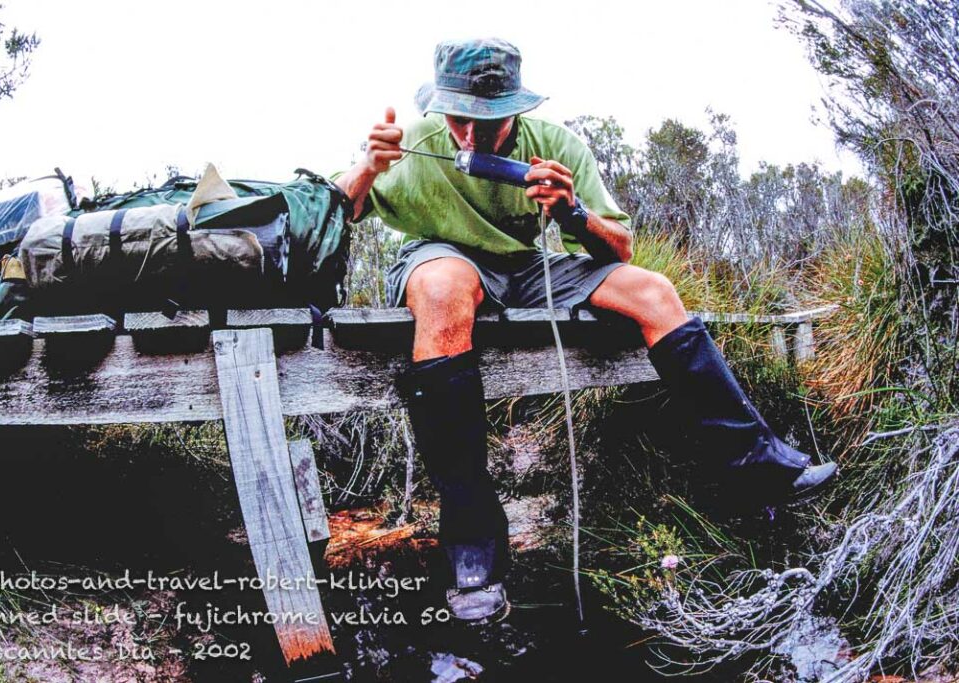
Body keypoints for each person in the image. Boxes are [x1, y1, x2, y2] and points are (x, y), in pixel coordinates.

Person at [333, 37, 837, 624]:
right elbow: (338, 209)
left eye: (490, 122)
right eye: (460, 118)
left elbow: (620, 246)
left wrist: (570, 212)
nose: (472, 136)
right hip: (439, 261)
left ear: (516, 111)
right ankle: (472, 537)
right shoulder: (414, 141)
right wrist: (367, 166)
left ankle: (755, 463)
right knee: (445, 290)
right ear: (440, 106)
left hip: (524, 265)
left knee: (654, 290)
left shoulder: (555, 145)